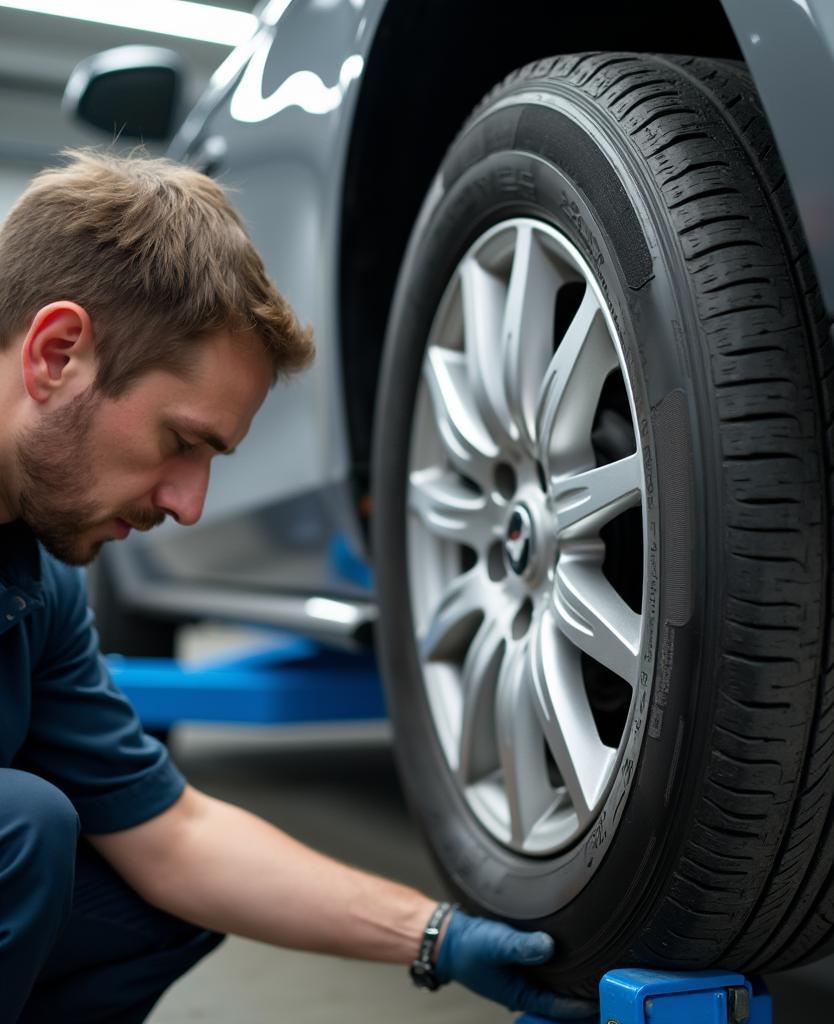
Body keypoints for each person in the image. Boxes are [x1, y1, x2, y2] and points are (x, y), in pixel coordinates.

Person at [0, 151, 595, 1024]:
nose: (189, 504)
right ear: (57, 356)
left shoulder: (36, 582)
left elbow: (175, 837)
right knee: (23, 829)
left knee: (148, 902)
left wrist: (434, 935)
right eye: (179, 440)